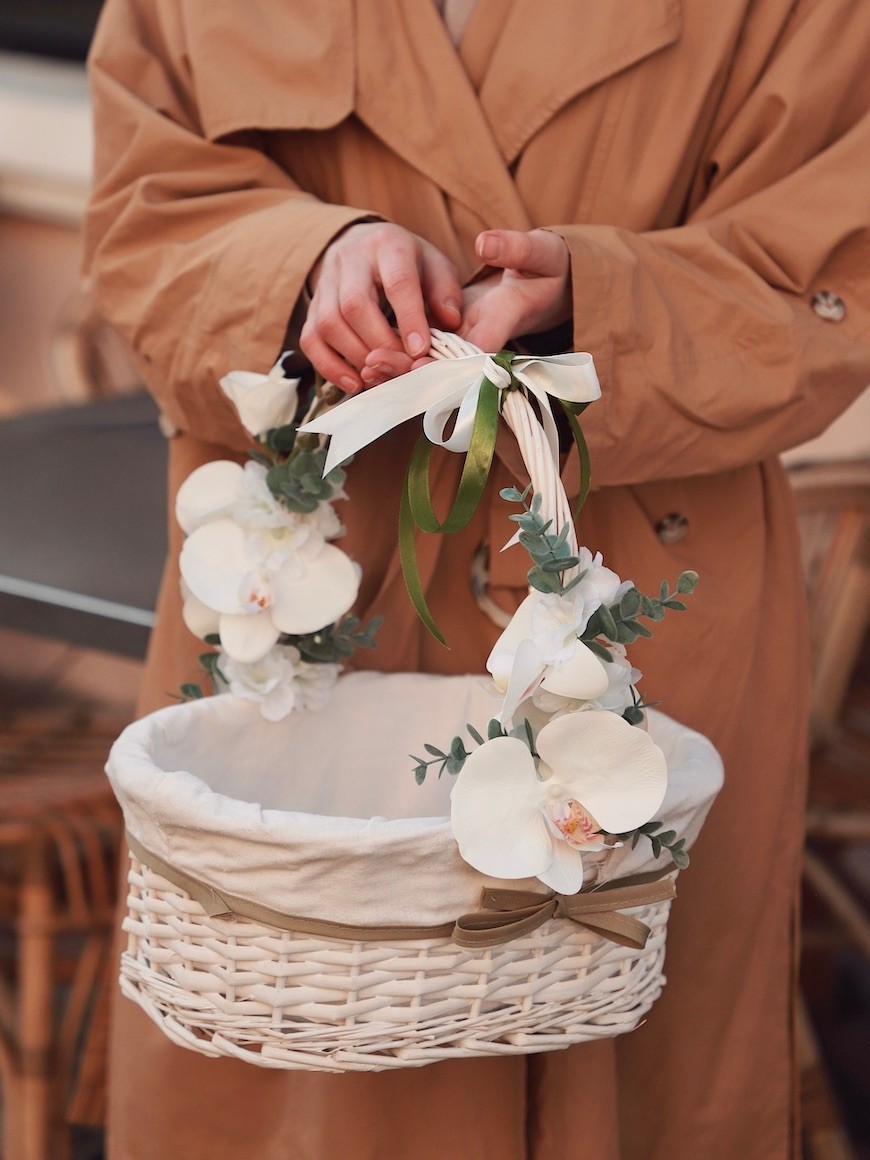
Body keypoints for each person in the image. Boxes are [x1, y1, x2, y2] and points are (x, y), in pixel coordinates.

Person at [83, 1, 870, 1156]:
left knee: (610, 1083)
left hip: (630, 599)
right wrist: (304, 264)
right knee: (285, 1089)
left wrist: (598, 303)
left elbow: (831, 269)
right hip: (302, 596)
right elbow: (142, 205)